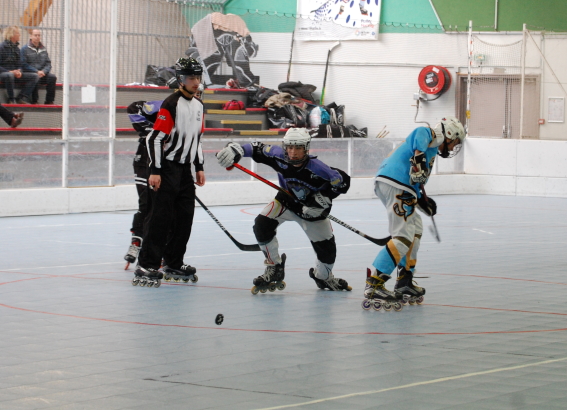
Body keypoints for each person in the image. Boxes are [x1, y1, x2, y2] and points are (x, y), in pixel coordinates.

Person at [215, 128, 352, 294]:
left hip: (311, 211)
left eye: (298, 148)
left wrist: (324, 199)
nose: (293, 153)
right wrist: (236, 149)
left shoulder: (319, 169)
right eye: (290, 147)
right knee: (261, 225)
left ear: (306, 148)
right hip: (286, 201)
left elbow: (343, 182)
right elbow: (256, 148)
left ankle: (323, 277)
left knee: (328, 251)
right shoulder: (278, 155)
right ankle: (275, 267)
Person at [365, 116, 466, 309]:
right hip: (396, 184)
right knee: (403, 236)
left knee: (416, 228)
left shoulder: (432, 148)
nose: (453, 148)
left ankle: (405, 279)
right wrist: (419, 157)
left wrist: (422, 201)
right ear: (450, 134)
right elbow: (420, 134)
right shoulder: (431, 135)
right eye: (454, 142)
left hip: (401, 187)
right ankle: (375, 283)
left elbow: (417, 178)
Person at [133, 57, 206, 287]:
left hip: (185, 171)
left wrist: (199, 166)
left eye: (197, 77)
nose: (195, 82)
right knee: (159, 219)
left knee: (185, 218)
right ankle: (147, 264)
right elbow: (155, 138)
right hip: (166, 169)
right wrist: (155, 170)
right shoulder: (171, 104)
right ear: (181, 80)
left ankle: (174, 261)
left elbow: (197, 139)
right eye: (190, 78)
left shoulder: (199, 105)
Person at [122, 100, 162, 268]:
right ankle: (136, 242)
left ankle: (159, 251)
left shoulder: (192, 113)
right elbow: (132, 107)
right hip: (144, 161)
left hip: (166, 163)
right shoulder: (163, 105)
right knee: (146, 203)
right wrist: (151, 131)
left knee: (164, 208)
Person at [0, 26, 38, 104]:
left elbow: (20, 64)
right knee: (9, 75)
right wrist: (10, 71)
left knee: (35, 76)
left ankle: (22, 97)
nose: (19, 35)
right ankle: (11, 99)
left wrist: (19, 71)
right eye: (17, 33)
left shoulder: (17, 49)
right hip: (4, 74)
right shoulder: (1, 47)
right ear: (12, 35)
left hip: (15, 74)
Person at [20, 29, 56, 105]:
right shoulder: (24, 49)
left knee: (52, 77)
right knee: (35, 77)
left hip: (42, 73)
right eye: (35, 35)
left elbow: (48, 63)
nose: (37, 37)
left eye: (39, 35)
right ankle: (35, 101)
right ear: (31, 36)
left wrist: (44, 71)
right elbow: (23, 64)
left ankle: (49, 101)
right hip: (31, 73)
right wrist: (36, 71)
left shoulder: (43, 49)